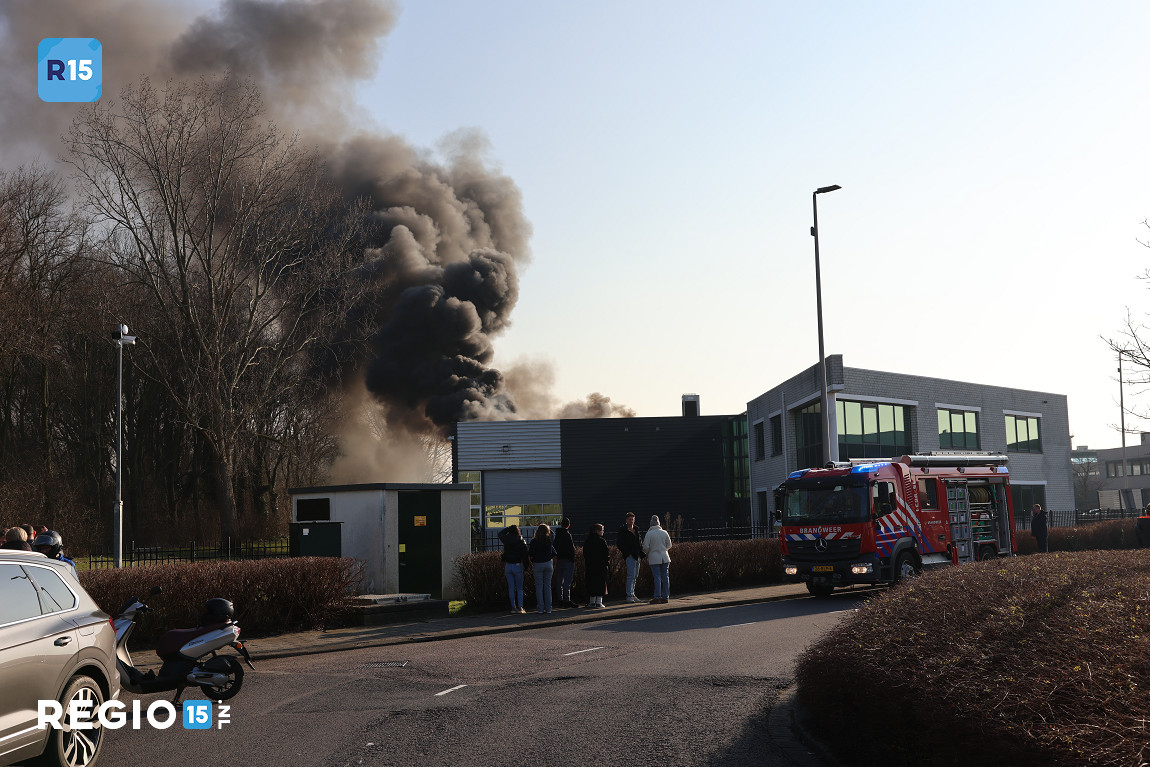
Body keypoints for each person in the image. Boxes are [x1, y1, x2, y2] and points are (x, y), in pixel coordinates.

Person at [498, 524, 529, 614]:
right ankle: (520, 607)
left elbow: (500, 534)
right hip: (517, 565)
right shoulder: (521, 540)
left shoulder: (506, 539)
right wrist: (526, 567)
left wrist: (507, 529)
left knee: (511, 588)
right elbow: (525, 555)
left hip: (508, 565)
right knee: (519, 588)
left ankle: (513, 607)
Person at [643, 514, 673, 604]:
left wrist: (649, 552)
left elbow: (645, 547)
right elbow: (669, 545)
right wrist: (664, 550)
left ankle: (657, 597)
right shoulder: (664, 532)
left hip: (654, 558)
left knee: (657, 577)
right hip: (665, 557)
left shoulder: (649, 534)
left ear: (651, 524)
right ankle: (665, 597)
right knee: (665, 577)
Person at [528, 523, 557, 614]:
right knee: (547, 586)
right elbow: (553, 534)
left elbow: (531, 553)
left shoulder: (534, 541)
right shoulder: (549, 540)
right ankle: (549, 608)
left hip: (538, 564)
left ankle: (540, 608)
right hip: (548, 563)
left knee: (539, 587)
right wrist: (548, 528)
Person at [616, 512, 643, 603]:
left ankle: (632, 593)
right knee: (631, 575)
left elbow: (639, 542)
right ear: (626, 520)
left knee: (635, 575)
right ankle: (629, 595)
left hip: (637, 555)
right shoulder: (623, 530)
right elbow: (619, 543)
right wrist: (627, 553)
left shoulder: (636, 529)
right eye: (630, 519)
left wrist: (641, 552)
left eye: (633, 519)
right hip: (630, 555)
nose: (631, 521)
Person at [583, 523, 609, 608]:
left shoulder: (588, 541)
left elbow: (585, 554)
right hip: (600, 566)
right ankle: (599, 602)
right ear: (597, 531)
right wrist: (607, 562)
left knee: (591, 582)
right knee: (600, 583)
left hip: (590, 566)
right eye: (602, 530)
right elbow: (606, 554)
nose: (603, 532)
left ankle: (592, 601)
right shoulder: (602, 541)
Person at [553, 517, 578, 607]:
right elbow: (571, 548)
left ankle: (560, 600)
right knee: (567, 581)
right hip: (568, 560)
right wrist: (572, 558)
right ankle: (567, 600)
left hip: (560, 559)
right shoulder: (568, 535)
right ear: (568, 525)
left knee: (559, 580)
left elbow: (554, 546)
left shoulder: (557, 534)